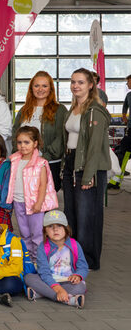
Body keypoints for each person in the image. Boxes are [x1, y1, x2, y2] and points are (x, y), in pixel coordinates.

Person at [62, 68, 110, 270]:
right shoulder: (74, 108)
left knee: (87, 216)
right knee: (71, 213)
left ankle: (88, 260)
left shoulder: (95, 111)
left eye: (81, 82)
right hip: (71, 163)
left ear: (91, 85)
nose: (76, 86)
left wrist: (89, 175)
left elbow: (95, 147)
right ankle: (74, 257)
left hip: (88, 166)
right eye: (73, 82)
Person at [7, 126, 59, 261]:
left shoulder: (41, 163)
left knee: (37, 234)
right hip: (18, 201)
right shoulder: (14, 160)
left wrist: (39, 203)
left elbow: (43, 185)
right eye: (19, 142)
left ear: (35, 143)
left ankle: (38, 259)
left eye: (27, 142)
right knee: (24, 233)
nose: (22, 146)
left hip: (34, 204)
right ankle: (28, 259)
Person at [12, 71, 67, 191]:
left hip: (48, 163)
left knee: (45, 199)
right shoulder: (24, 110)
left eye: (44, 86)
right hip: (24, 162)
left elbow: (61, 138)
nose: (40, 89)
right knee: (24, 197)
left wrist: (43, 157)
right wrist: (19, 154)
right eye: (36, 86)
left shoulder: (60, 110)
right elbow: (15, 133)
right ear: (31, 88)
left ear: (50, 89)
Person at [24, 210, 88, 308]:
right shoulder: (42, 247)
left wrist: (78, 276)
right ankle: (69, 300)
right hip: (48, 281)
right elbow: (44, 272)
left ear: (66, 229)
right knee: (28, 278)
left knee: (80, 287)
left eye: (59, 226)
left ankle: (43, 293)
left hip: (68, 281)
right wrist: (58, 289)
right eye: (50, 226)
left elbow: (83, 267)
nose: (55, 229)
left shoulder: (75, 245)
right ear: (45, 231)